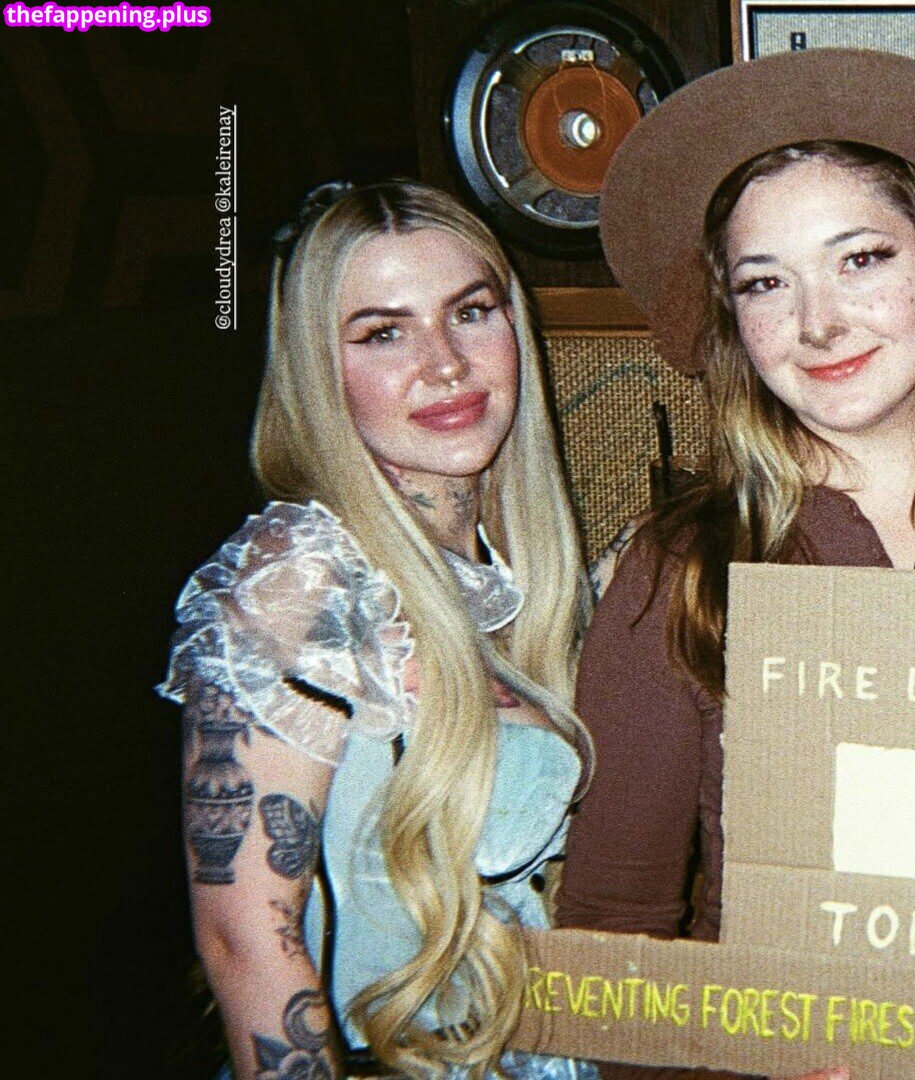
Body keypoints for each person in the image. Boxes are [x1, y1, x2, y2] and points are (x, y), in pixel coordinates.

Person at [556, 48, 915, 1080]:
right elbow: (611, 936)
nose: (818, 324)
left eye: (860, 259)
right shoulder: (684, 570)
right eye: (766, 282)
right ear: (731, 319)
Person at [158, 179, 597, 1080]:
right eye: (383, 333)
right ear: (319, 370)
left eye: (470, 313)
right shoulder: (298, 576)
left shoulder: (514, 564)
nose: (446, 364)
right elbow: (245, 938)